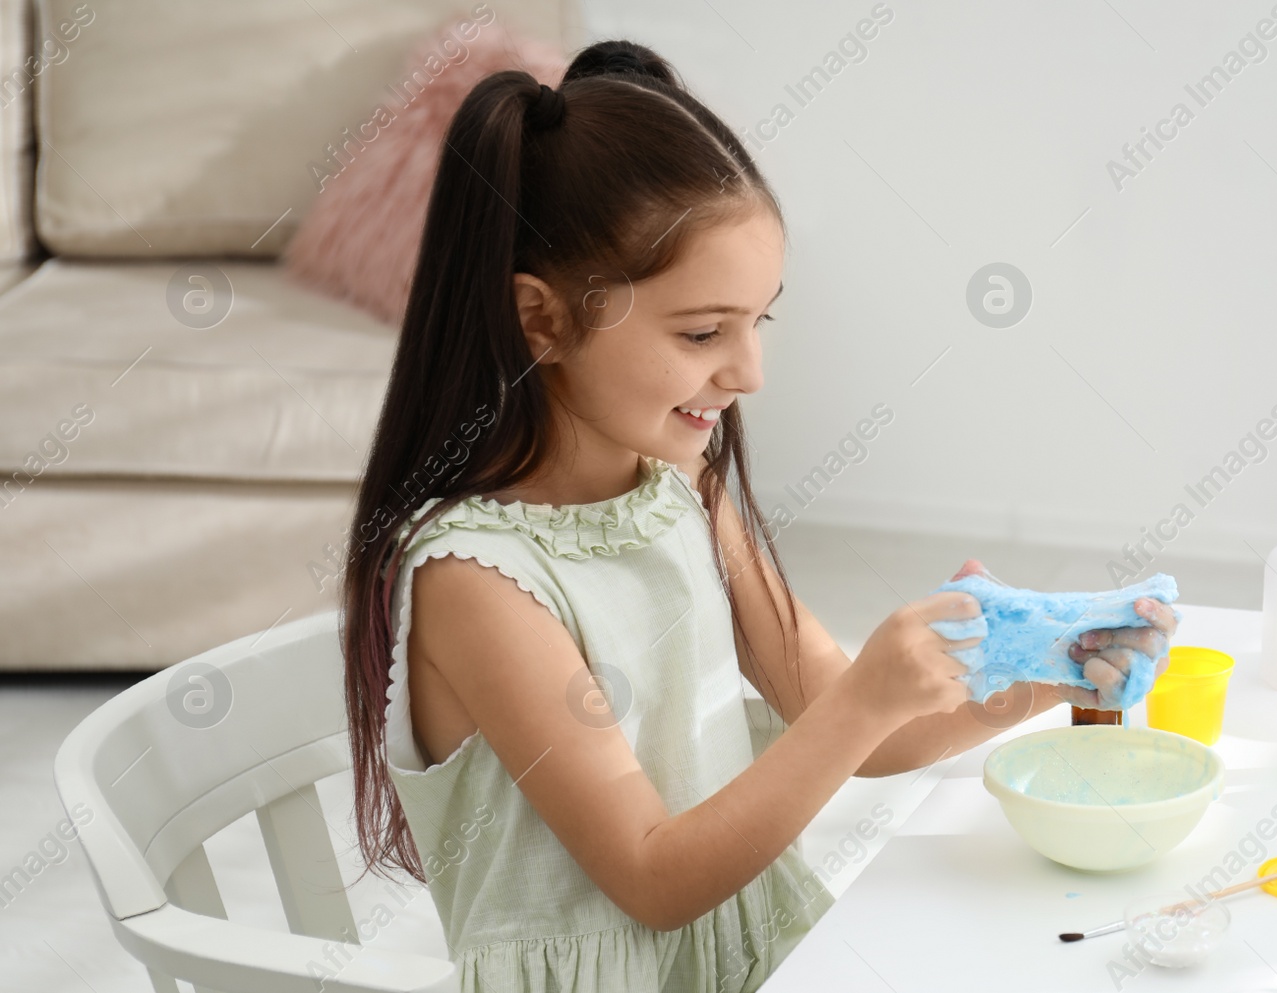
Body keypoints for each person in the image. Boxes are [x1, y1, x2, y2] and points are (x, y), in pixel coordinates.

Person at [339, 38, 1177, 993]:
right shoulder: (475, 581)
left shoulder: (682, 492)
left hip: (753, 957)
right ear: (542, 319)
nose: (747, 375)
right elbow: (651, 877)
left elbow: (851, 722)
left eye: (758, 320)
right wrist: (868, 698)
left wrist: (1033, 673)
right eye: (702, 332)